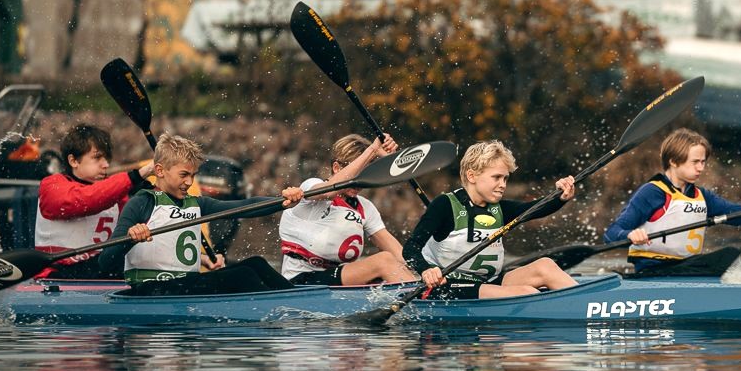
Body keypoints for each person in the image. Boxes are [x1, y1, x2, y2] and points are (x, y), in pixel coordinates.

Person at [98, 133, 300, 296]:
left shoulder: (196, 203)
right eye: (183, 175)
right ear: (159, 170)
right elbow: (105, 262)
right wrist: (130, 239)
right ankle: (283, 314)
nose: (189, 182)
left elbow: (244, 207)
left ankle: (297, 300)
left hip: (184, 286)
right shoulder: (141, 203)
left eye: (193, 175)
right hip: (151, 290)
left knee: (257, 263)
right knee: (243, 275)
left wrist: (282, 202)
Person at [604, 128, 741, 274]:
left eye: (703, 162)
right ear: (673, 161)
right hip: (654, 271)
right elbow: (611, 233)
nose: (701, 168)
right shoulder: (652, 192)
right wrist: (629, 235)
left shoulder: (702, 196)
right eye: (695, 162)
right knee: (730, 256)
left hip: (687, 268)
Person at [403, 140, 578, 300]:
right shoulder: (445, 205)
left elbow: (536, 209)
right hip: (447, 287)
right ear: (472, 176)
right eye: (496, 177)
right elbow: (411, 248)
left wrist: (560, 197)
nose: (503, 184)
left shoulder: (500, 209)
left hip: (488, 282)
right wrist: (426, 270)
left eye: (505, 178)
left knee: (545, 266)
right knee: (527, 293)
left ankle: (585, 302)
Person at [278, 133, 417, 285]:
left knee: (395, 267)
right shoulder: (311, 188)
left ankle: (423, 293)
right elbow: (329, 191)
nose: (359, 182)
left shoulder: (365, 208)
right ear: (336, 168)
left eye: (365, 175)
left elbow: (400, 256)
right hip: (299, 282)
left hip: (334, 280)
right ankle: (421, 298)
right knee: (384, 261)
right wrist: (373, 149)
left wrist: (426, 271)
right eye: (356, 174)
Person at [33, 124, 153, 280]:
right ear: (73, 161)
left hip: (98, 269)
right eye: (97, 158)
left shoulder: (116, 192)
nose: (106, 164)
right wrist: (136, 176)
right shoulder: (51, 186)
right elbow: (86, 200)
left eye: (106, 158)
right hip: (57, 273)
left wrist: (149, 194)